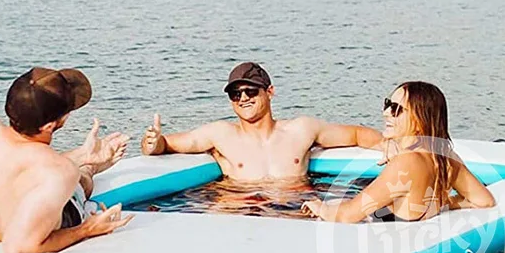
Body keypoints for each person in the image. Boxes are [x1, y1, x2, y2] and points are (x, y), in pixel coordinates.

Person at [0, 67, 132, 253]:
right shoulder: (61, 172)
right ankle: (90, 168)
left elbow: (18, 158)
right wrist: (87, 229)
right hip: (20, 233)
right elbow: (18, 247)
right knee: (80, 181)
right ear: (49, 126)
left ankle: (84, 157)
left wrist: (81, 154)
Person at [140, 61, 385, 183]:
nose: (243, 98)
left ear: (270, 92)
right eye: (235, 94)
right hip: (241, 210)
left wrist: (390, 146)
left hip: (293, 210)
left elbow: (356, 134)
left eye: (250, 91)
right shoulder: (221, 134)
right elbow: (167, 144)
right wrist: (152, 143)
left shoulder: (301, 130)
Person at [301, 81, 495, 222]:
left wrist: (320, 208)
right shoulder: (445, 158)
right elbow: (483, 200)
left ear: (419, 120)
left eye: (396, 109)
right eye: (387, 104)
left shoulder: (406, 163)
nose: (386, 113)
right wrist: (445, 203)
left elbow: (348, 215)